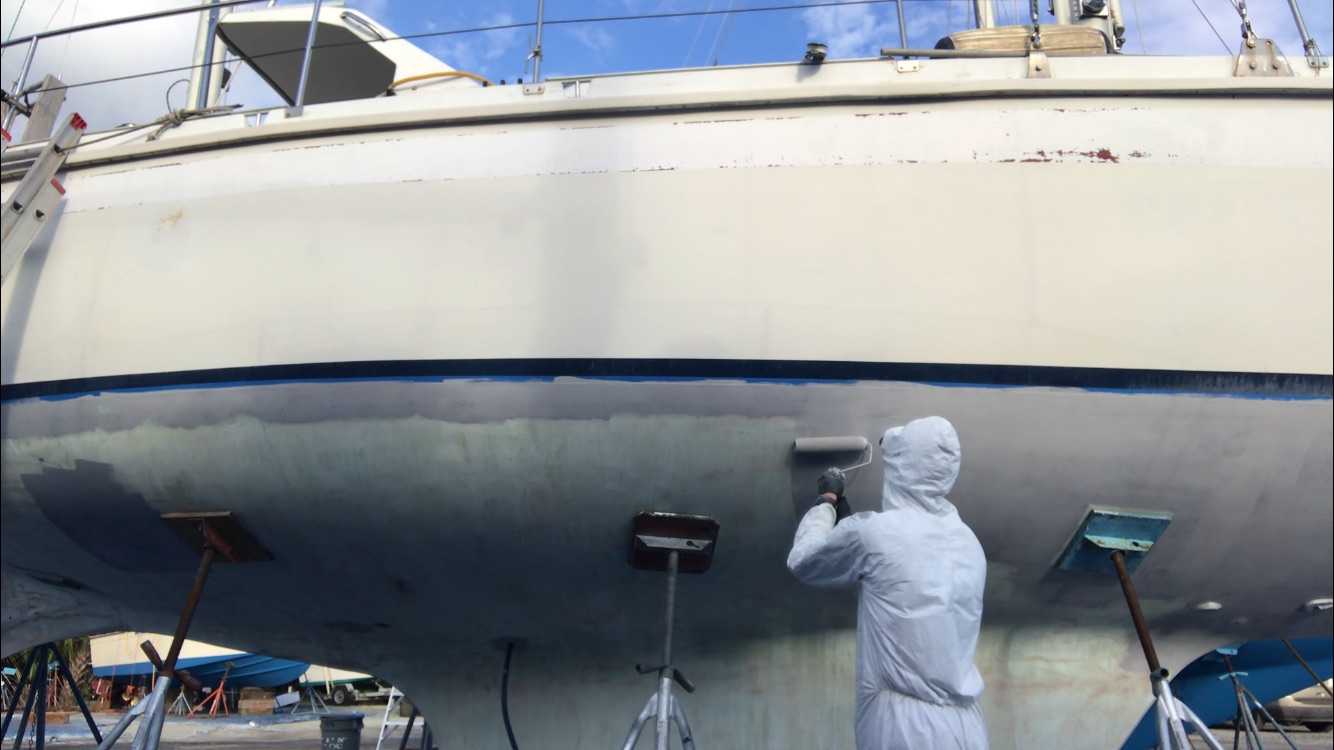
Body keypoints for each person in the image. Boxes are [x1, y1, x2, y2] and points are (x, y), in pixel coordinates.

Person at [787, 416, 989, 749]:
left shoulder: (874, 533)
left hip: (905, 727)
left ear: (901, 469)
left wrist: (827, 502)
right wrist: (852, 530)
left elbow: (805, 561)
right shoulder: (969, 542)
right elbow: (906, 578)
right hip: (968, 726)